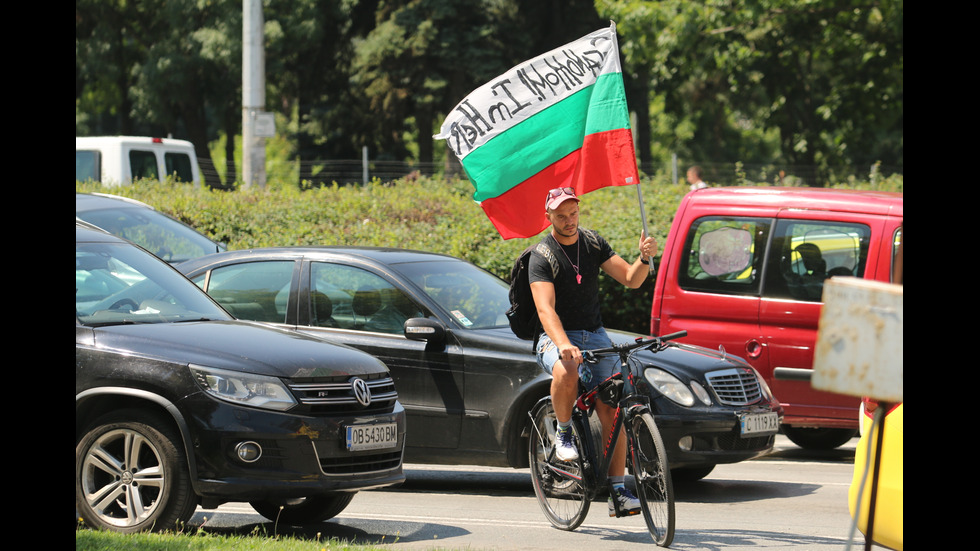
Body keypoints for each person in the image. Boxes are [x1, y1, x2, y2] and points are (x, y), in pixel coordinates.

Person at [528, 186, 658, 518]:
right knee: (565, 369)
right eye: (561, 216)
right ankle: (564, 429)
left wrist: (643, 258)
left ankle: (618, 490)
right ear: (549, 216)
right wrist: (563, 345)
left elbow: (631, 279)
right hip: (555, 336)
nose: (569, 221)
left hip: (595, 335)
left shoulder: (592, 243)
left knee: (612, 410)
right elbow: (546, 310)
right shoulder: (541, 256)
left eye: (573, 213)